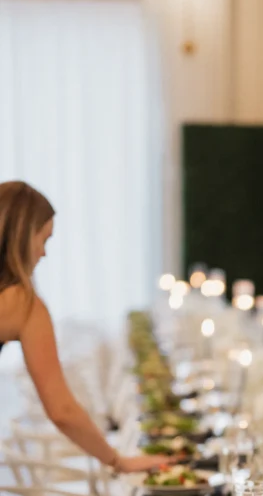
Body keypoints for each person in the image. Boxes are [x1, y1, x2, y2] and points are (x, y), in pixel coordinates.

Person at [0, 180, 159, 473]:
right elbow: (62, 410)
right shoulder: (24, 305)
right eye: (44, 240)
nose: (44, 253)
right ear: (21, 237)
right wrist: (118, 460)